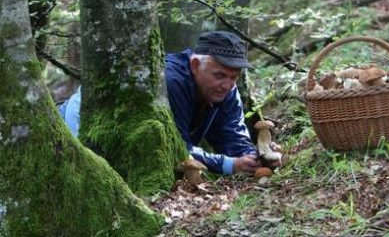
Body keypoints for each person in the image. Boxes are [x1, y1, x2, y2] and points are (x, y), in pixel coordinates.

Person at [59, 31, 279, 175]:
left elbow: (231, 136)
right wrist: (229, 164)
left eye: (234, 77)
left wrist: (255, 156)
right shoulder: (170, 82)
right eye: (219, 75)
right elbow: (174, 148)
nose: (228, 85)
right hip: (77, 126)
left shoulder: (227, 89)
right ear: (195, 65)